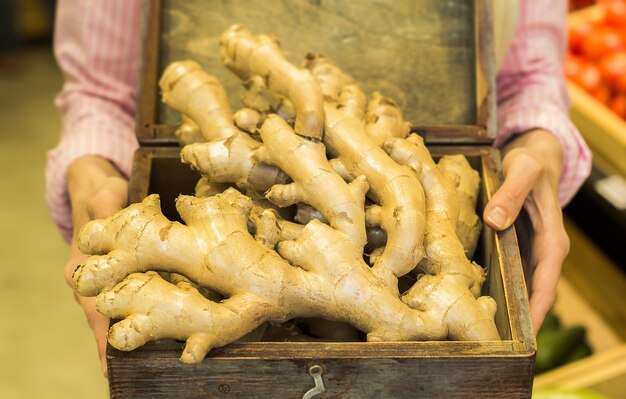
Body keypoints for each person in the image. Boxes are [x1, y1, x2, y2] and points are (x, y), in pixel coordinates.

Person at [47, 0, 591, 376]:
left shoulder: (393, 231)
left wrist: (541, 144)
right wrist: (91, 173)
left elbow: (530, 75)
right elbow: (99, 93)